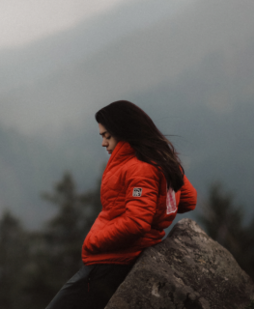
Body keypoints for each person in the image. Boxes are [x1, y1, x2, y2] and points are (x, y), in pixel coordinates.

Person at [46, 100, 197, 309]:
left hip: (112, 261)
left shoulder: (139, 168)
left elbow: (136, 222)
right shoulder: (161, 160)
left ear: (124, 132)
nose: (103, 143)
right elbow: (188, 200)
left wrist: (93, 242)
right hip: (125, 256)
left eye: (107, 136)